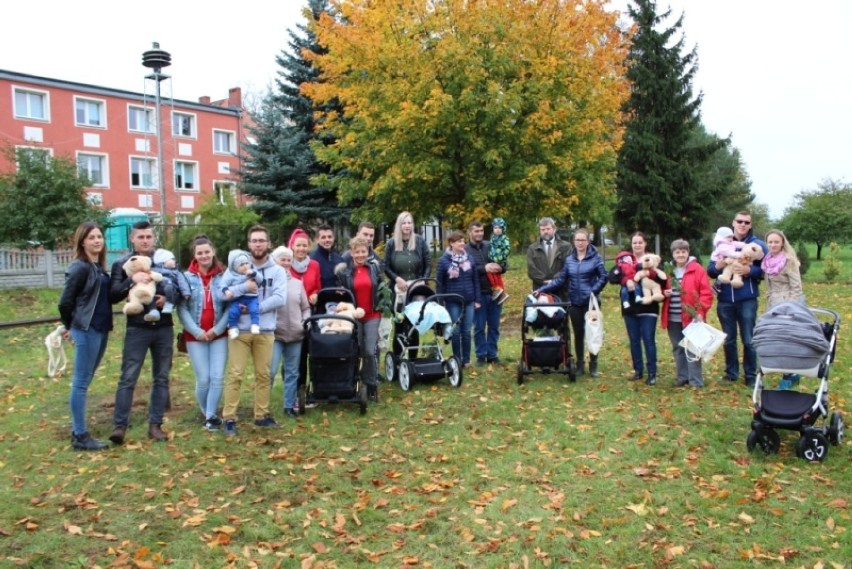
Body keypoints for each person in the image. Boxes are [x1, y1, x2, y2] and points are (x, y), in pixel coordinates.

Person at [108, 220, 173, 444]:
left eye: (149, 237)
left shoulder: (164, 259)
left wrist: (168, 299)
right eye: (140, 237)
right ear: (132, 239)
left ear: (154, 239)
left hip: (163, 327)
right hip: (137, 328)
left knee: (161, 378)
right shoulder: (123, 263)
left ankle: (155, 425)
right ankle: (120, 426)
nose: (145, 241)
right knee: (128, 378)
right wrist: (130, 280)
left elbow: (181, 287)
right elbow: (112, 294)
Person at [221, 225, 287, 437]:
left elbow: (280, 298)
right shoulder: (235, 269)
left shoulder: (277, 271)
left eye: (261, 240)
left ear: (269, 243)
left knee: (264, 374)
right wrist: (241, 290)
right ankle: (229, 418)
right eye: (254, 240)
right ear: (248, 244)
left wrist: (254, 308)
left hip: (265, 329)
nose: (258, 244)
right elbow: (223, 294)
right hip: (239, 330)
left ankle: (262, 415)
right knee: (235, 374)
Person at [58, 221, 113, 450]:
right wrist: (69, 327)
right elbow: (65, 302)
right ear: (83, 241)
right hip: (86, 329)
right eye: (92, 237)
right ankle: (80, 435)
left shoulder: (98, 267)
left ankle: (78, 429)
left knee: (85, 380)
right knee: (80, 383)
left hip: (100, 328)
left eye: (99, 236)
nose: (97, 240)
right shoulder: (80, 267)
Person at [533, 228, 607, 377]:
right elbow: (561, 280)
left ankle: (594, 365)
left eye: (583, 240)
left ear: (588, 241)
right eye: (577, 240)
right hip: (574, 302)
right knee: (578, 334)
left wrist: (593, 291)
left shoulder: (595, 258)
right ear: (574, 241)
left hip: (591, 303)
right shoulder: (570, 259)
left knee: (592, 333)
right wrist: (543, 289)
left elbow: (604, 276)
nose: (580, 243)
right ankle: (580, 365)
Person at [707, 211, 768, 387]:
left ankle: (750, 374)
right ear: (733, 223)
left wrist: (750, 271)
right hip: (725, 298)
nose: (742, 224)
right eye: (739, 221)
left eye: (746, 222)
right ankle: (731, 373)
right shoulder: (723, 243)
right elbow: (711, 270)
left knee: (749, 339)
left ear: (750, 225)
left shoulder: (757, 245)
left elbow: (765, 271)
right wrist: (721, 264)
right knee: (729, 338)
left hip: (747, 298)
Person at [177, 235, 229, 431]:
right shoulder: (186, 277)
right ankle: (206, 410)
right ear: (194, 255)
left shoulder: (224, 276)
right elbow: (181, 308)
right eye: (200, 253)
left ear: (213, 252)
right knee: (204, 378)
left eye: (207, 251)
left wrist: (216, 330)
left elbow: (228, 307)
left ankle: (210, 416)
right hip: (195, 336)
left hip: (219, 335)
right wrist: (197, 331)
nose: (204, 255)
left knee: (217, 377)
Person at [336, 236, 388, 402]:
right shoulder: (346, 273)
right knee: (356, 349)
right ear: (351, 253)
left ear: (368, 252)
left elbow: (382, 288)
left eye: (363, 251)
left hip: (372, 315)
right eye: (357, 252)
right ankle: (353, 383)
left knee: (369, 350)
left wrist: (383, 304)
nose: (360, 255)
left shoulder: (374, 268)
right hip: (354, 316)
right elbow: (344, 293)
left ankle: (371, 385)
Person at [615, 232, 668, 386]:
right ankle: (638, 370)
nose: (637, 245)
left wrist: (646, 273)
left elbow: (662, 280)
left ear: (645, 244)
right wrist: (627, 281)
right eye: (634, 242)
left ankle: (652, 372)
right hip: (630, 306)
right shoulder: (625, 261)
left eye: (640, 242)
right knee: (634, 340)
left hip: (648, 306)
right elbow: (614, 277)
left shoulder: (652, 260)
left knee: (648, 339)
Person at [661, 239, 714, 388]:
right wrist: (664, 293)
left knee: (693, 348)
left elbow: (706, 293)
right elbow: (662, 288)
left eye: (683, 252)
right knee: (678, 347)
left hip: (691, 316)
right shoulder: (669, 270)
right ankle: (682, 376)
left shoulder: (697, 269)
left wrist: (700, 310)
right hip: (673, 315)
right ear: (673, 254)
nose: (680, 255)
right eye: (677, 252)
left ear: (688, 252)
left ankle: (695, 380)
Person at [270, 246, 311, 418]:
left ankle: (288, 406)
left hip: (295, 333)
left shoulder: (297, 283)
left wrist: (304, 322)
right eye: (283, 259)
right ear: (275, 261)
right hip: (274, 334)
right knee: (269, 371)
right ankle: (262, 407)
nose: (286, 263)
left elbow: (305, 307)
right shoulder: (269, 282)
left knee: (293, 371)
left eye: (289, 260)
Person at [762, 229, 804, 389]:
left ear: (782, 243)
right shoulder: (767, 260)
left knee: (787, 340)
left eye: (776, 242)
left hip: (787, 304)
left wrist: (791, 308)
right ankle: (786, 371)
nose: (773, 244)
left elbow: (796, 287)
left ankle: (790, 374)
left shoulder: (789, 261)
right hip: (773, 303)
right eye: (770, 242)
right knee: (776, 340)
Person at [436, 231, 481, 367]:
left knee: (467, 331)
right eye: (459, 241)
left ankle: (466, 360)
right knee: (455, 332)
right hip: (452, 302)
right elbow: (439, 283)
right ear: (451, 243)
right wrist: (440, 303)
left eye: (463, 241)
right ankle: (456, 359)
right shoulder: (444, 261)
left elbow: (475, 281)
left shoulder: (470, 259)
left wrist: (477, 299)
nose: (462, 244)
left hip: (469, 300)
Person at [288, 228, 322, 407]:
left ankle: (313, 388)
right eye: (298, 245)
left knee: (313, 353)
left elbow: (317, 285)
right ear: (292, 246)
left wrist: (316, 294)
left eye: (304, 245)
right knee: (297, 356)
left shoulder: (314, 265)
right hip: (292, 316)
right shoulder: (286, 264)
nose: (301, 248)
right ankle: (295, 392)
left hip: (312, 314)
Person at [466, 221, 507, 365]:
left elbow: (503, 263)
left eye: (481, 231)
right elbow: (467, 270)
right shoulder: (465, 250)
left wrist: (499, 267)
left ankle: (492, 355)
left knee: (494, 326)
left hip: (496, 291)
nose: (479, 234)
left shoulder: (490, 245)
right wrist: (485, 268)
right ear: (470, 232)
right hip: (478, 293)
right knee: (478, 326)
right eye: (476, 231)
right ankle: (480, 355)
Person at [385, 211, 431, 299]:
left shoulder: (420, 241)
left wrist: (423, 280)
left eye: (409, 223)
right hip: (398, 289)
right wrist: (397, 279)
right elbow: (386, 267)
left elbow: (428, 264)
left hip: (418, 288)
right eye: (404, 223)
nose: (407, 225)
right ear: (399, 225)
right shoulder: (391, 243)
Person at [526, 217, 572, 299]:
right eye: (543, 229)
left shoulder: (566, 247)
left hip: (560, 290)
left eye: (548, 229)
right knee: (542, 311)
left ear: (554, 229)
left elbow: (568, 267)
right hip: (540, 290)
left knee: (562, 311)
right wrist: (544, 280)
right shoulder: (532, 248)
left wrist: (554, 281)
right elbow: (531, 269)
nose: (545, 232)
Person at [221, 249, 261, 339]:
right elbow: (223, 284)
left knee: (254, 310)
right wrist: (226, 291)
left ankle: (255, 325)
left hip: (251, 297)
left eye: (246, 263)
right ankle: (233, 328)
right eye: (241, 265)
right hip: (237, 298)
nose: (245, 266)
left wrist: (254, 274)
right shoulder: (230, 274)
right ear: (235, 267)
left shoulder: (251, 270)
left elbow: (261, 279)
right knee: (233, 312)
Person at [147, 248, 189, 322]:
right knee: (150, 295)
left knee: (168, 286)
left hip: (170, 290)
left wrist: (186, 292)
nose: (175, 261)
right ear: (163, 261)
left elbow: (182, 282)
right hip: (155, 290)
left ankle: (169, 303)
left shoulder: (176, 272)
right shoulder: (152, 270)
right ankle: (153, 311)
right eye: (172, 259)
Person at [310, 224, 344, 290]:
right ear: (317, 240)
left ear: (333, 238)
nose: (327, 240)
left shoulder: (339, 259)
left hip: (338, 299)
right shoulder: (312, 260)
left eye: (329, 237)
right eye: (323, 237)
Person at [487, 218, 510, 304]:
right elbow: (491, 248)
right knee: (492, 273)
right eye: (495, 228)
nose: (497, 230)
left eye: (500, 228)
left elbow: (507, 249)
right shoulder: (493, 238)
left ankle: (498, 289)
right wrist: (490, 255)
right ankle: (499, 291)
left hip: (500, 260)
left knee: (494, 273)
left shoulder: (504, 238)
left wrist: (501, 257)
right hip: (492, 259)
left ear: (503, 229)